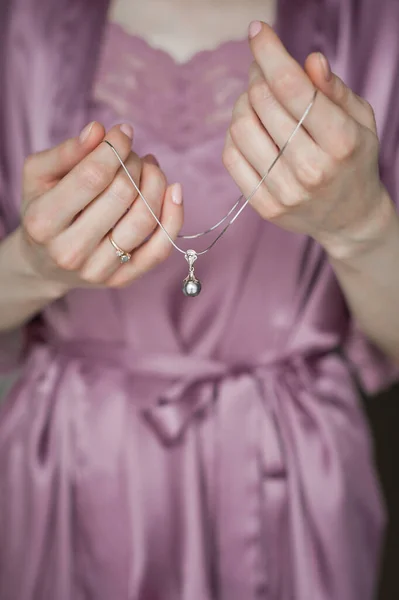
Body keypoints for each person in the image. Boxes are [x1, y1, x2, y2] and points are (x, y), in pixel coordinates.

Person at [0, 0, 398, 598]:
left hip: (290, 479)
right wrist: (29, 268)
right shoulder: (20, 24)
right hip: (70, 467)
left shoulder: (374, 24)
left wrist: (361, 226)